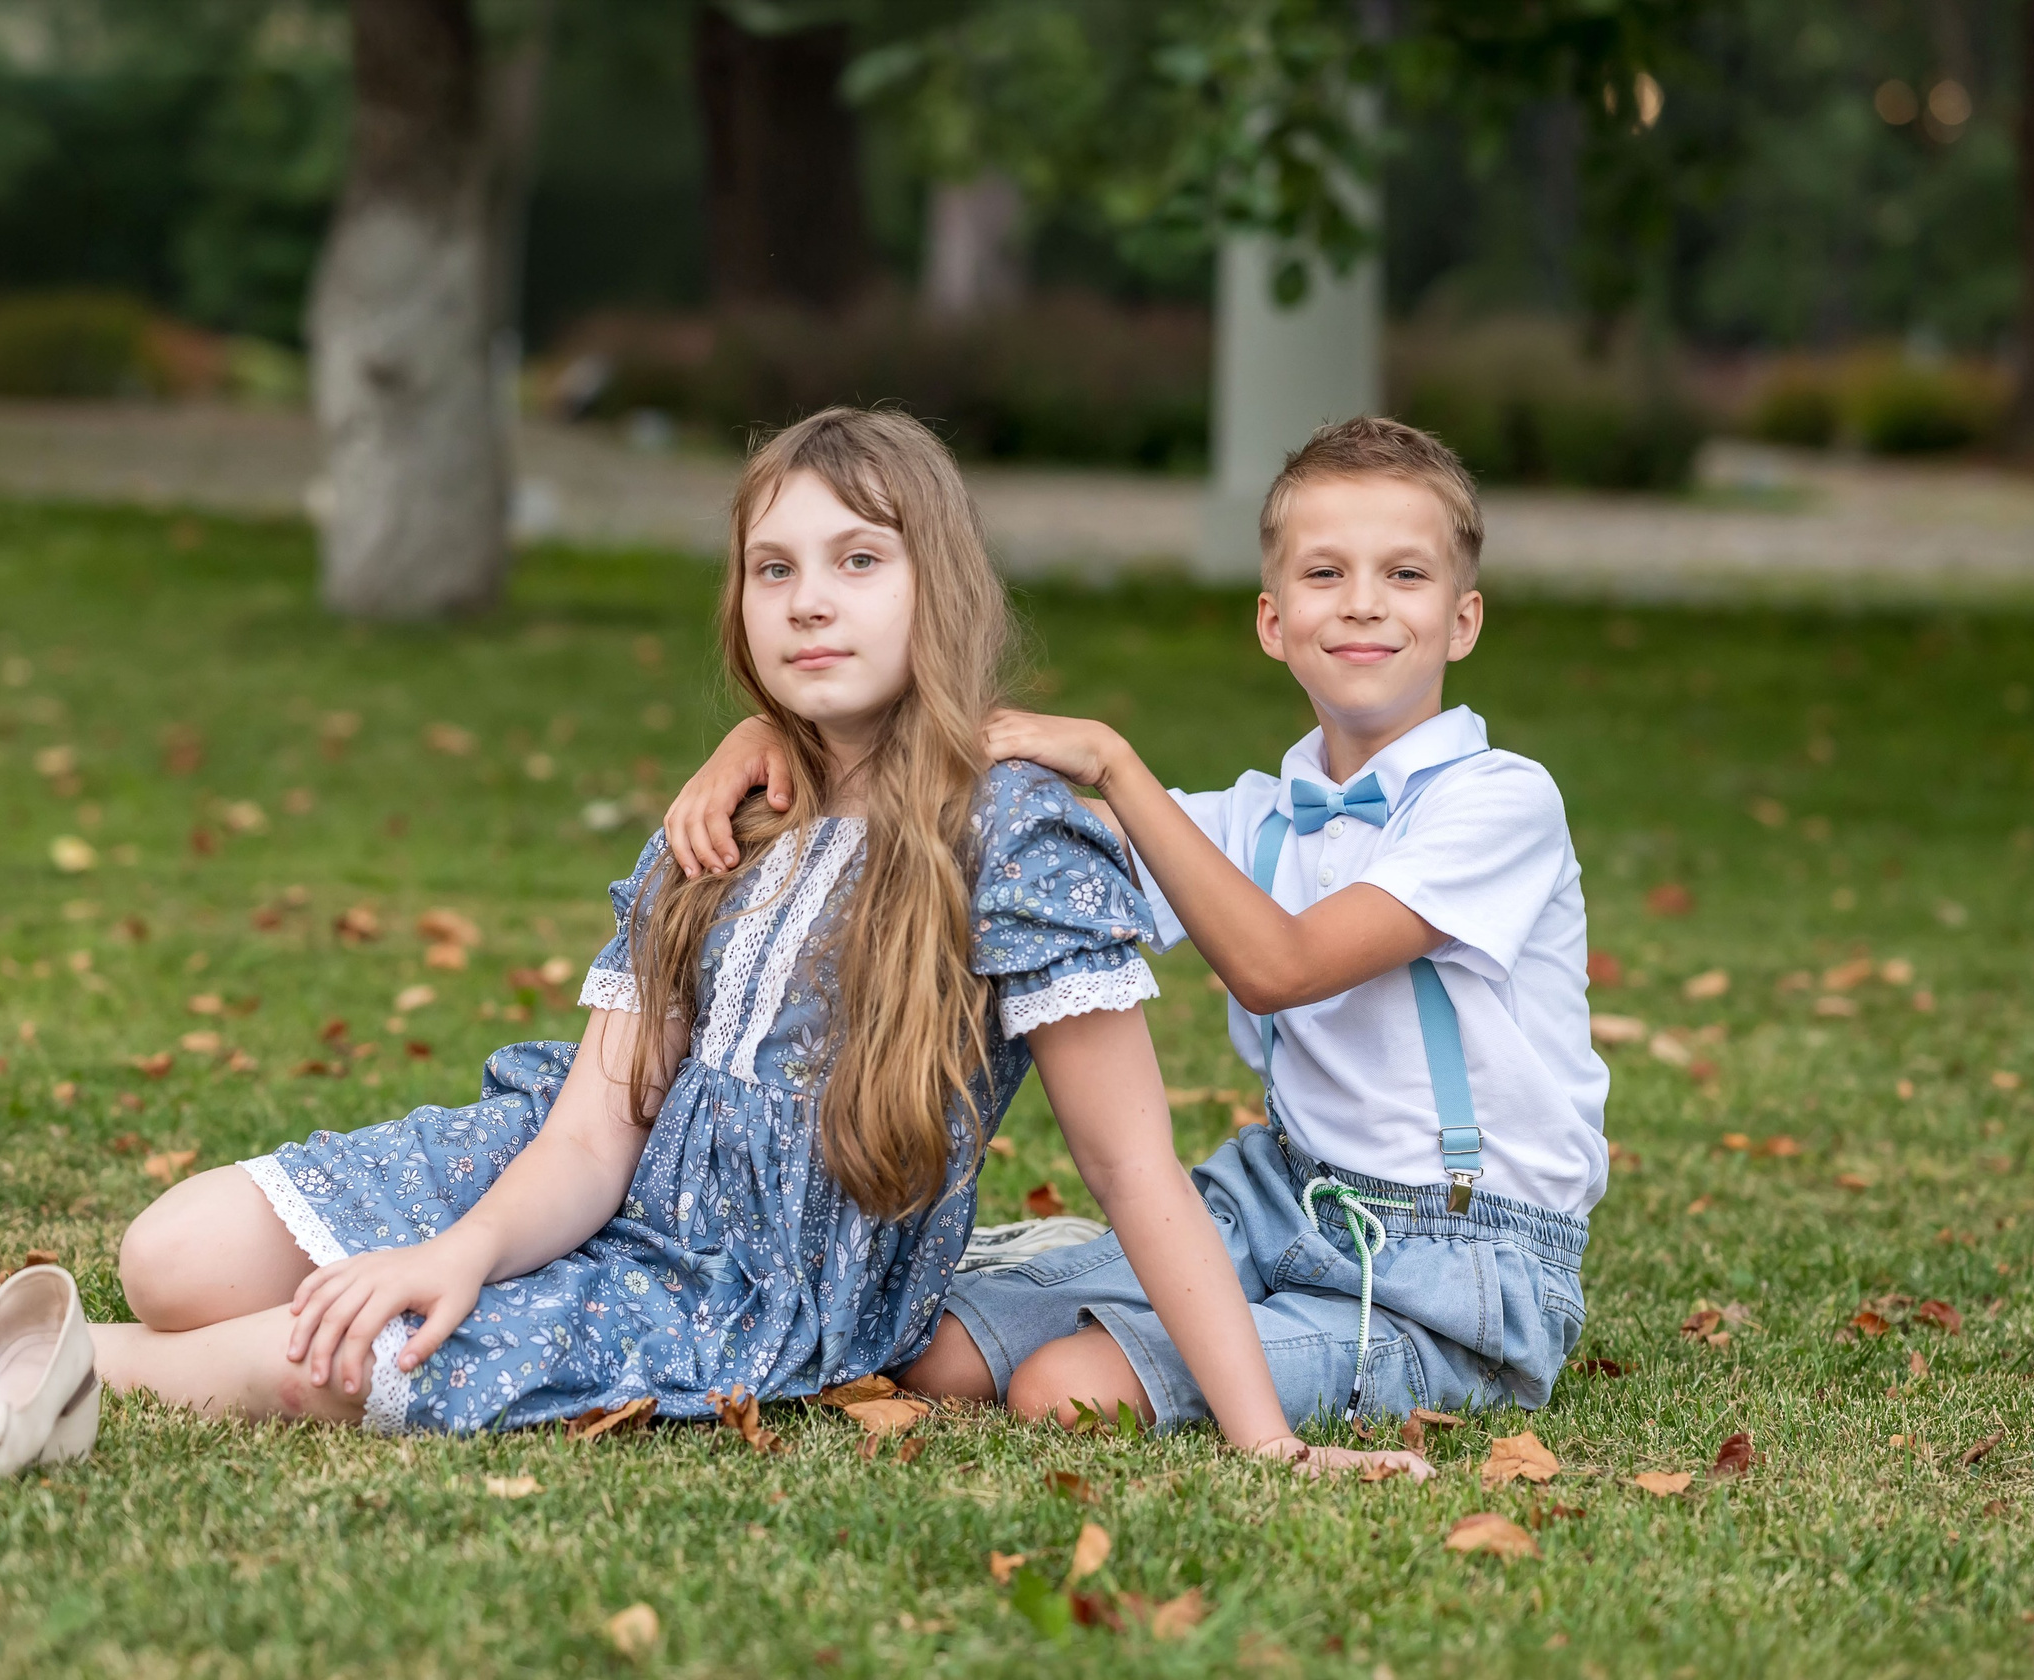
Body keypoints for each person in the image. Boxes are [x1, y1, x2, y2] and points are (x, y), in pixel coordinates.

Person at [0, 407, 1423, 1475]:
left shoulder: (1022, 840)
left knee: (339, 1360)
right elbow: (592, 1120)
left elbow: (1139, 1174)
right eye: (773, 565)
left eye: (861, 560)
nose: (810, 599)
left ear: (941, 588)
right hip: (589, 1173)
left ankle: (33, 1365)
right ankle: (167, 1320)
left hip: (752, 1283)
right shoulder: (730, 812)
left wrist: (1271, 1441)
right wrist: (467, 1243)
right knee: (184, 1245)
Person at [664, 416, 1603, 1431]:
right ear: (1272, 620)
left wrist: (1113, 756)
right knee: (926, 1349)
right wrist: (765, 734)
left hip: (1455, 1266)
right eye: (1324, 573)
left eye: (1404, 575)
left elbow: (1279, 965)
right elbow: (990, 828)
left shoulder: (1501, 801)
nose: (1363, 603)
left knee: (1062, 1389)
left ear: (1463, 620)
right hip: (1276, 1197)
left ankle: (1308, 1341)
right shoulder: (1253, 817)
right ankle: (1159, 1283)